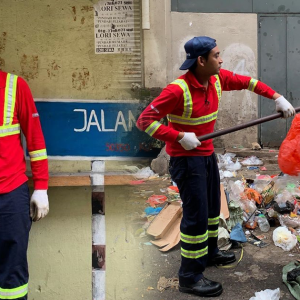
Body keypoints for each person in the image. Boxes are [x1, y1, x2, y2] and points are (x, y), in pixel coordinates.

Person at [136, 36, 295, 297]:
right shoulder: (177, 90)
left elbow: (248, 82)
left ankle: (209, 254)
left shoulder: (216, 79)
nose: (221, 60)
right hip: (187, 161)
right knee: (196, 217)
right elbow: (145, 122)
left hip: (206, 155)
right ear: (200, 61)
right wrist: (178, 136)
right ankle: (189, 277)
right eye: (216, 55)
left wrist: (276, 97)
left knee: (211, 210)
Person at [0, 71, 49, 299]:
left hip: (10, 194)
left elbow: (35, 138)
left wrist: (41, 186)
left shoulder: (14, 85)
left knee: (13, 272)